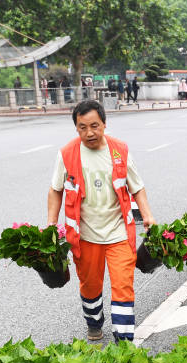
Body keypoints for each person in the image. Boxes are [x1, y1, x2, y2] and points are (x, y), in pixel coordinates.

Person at [47, 99, 156, 343]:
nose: (89, 133)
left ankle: (124, 341)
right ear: (76, 128)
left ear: (104, 124)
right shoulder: (67, 154)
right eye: (82, 127)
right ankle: (94, 323)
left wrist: (147, 215)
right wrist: (51, 224)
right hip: (84, 236)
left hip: (119, 232)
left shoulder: (120, 151)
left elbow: (137, 187)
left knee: (123, 287)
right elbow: (55, 190)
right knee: (90, 287)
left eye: (94, 126)